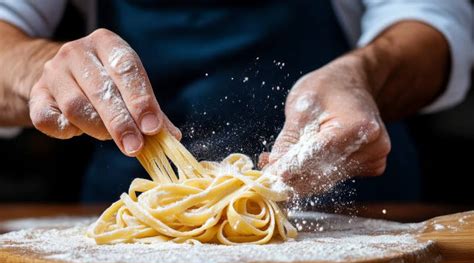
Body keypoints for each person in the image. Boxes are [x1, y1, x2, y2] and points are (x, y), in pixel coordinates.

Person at [0, 1, 472, 202]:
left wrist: (362, 75)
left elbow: (431, 23)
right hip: (122, 221)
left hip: (353, 209)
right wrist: (43, 68)